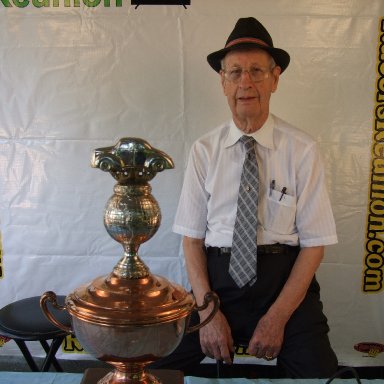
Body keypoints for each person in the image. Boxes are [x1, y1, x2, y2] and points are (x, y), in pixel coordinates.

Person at [152, 17, 338, 378]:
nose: (246, 82)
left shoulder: (302, 149)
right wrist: (207, 313)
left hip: (284, 284)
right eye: (235, 72)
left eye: (256, 71)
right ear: (222, 82)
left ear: (275, 78)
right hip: (216, 284)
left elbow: (314, 245)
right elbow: (192, 241)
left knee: (318, 375)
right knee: (157, 367)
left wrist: (277, 317)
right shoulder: (204, 151)